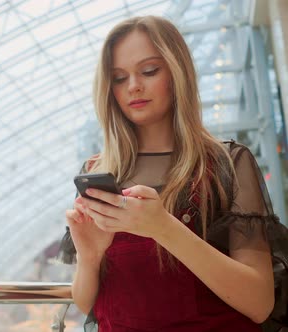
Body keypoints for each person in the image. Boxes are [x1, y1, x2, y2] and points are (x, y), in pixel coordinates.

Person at [58, 15, 288, 331]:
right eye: (119, 78)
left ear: (177, 72)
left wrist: (164, 228)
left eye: (149, 71)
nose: (134, 86)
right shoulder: (97, 171)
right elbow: (88, 305)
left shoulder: (227, 164)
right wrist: (90, 255)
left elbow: (259, 304)